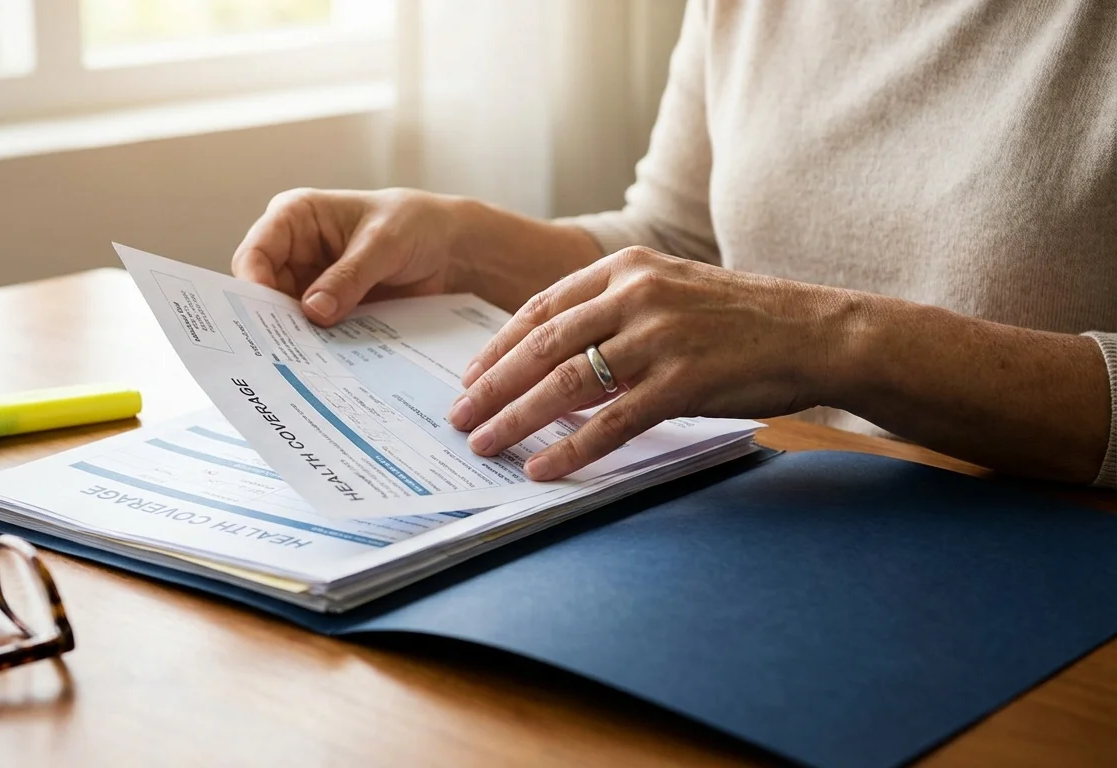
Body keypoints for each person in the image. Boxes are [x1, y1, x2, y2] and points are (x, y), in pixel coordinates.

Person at [231, 0, 1117, 488]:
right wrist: (460, 249)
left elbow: (753, 306)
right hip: (782, 517)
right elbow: (681, 245)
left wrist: (836, 340)